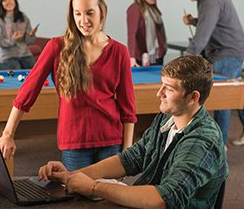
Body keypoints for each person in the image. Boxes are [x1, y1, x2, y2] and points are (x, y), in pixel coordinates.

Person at [38, 55, 228, 208]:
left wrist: (93, 187)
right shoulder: (167, 118)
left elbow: (165, 199)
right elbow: (132, 158)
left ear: (193, 97)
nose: (159, 93)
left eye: (168, 89)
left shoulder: (203, 139)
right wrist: (72, 175)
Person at [0, 0, 137, 171]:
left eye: (89, 13)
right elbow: (28, 91)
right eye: (77, 13)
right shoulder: (56, 47)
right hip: (74, 143)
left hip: (110, 141)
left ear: (102, 11)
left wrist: (126, 152)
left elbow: (128, 108)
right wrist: (8, 133)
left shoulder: (120, 51)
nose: (83, 20)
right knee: (77, 198)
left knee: (106, 198)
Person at [178, 0, 244, 147]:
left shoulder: (211, 0)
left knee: (222, 96)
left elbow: (201, 37)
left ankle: (219, 144)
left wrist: (184, 60)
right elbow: (211, 21)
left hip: (228, 52)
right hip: (229, 50)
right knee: (233, 91)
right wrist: (194, 20)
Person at [0, 0, 38, 69]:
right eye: (5, 0)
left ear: (15, 1)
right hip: (8, 56)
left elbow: (29, 41)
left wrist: (31, 35)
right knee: (17, 68)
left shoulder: (23, 17)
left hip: (25, 54)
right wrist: (13, 40)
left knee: (35, 71)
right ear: (2, 4)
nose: (8, 2)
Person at [127, 0, 167, 67]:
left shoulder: (153, 9)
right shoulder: (135, 8)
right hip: (142, 56)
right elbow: (131, 34)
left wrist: (164, 48)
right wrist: (131, 57)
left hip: (157, 55)